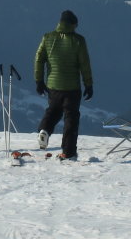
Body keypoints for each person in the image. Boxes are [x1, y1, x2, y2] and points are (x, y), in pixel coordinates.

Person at [34, 9, 94, 160]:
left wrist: (39, 80)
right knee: (71, 118)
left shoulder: (47, 37)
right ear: (73, 24)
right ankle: (68, 152)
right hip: (72, 88)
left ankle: (44, 130)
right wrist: (88, 85)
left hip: (53, 85)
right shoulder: (79, 40)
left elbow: (39, 59)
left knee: (53, 110)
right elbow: (84, 64)